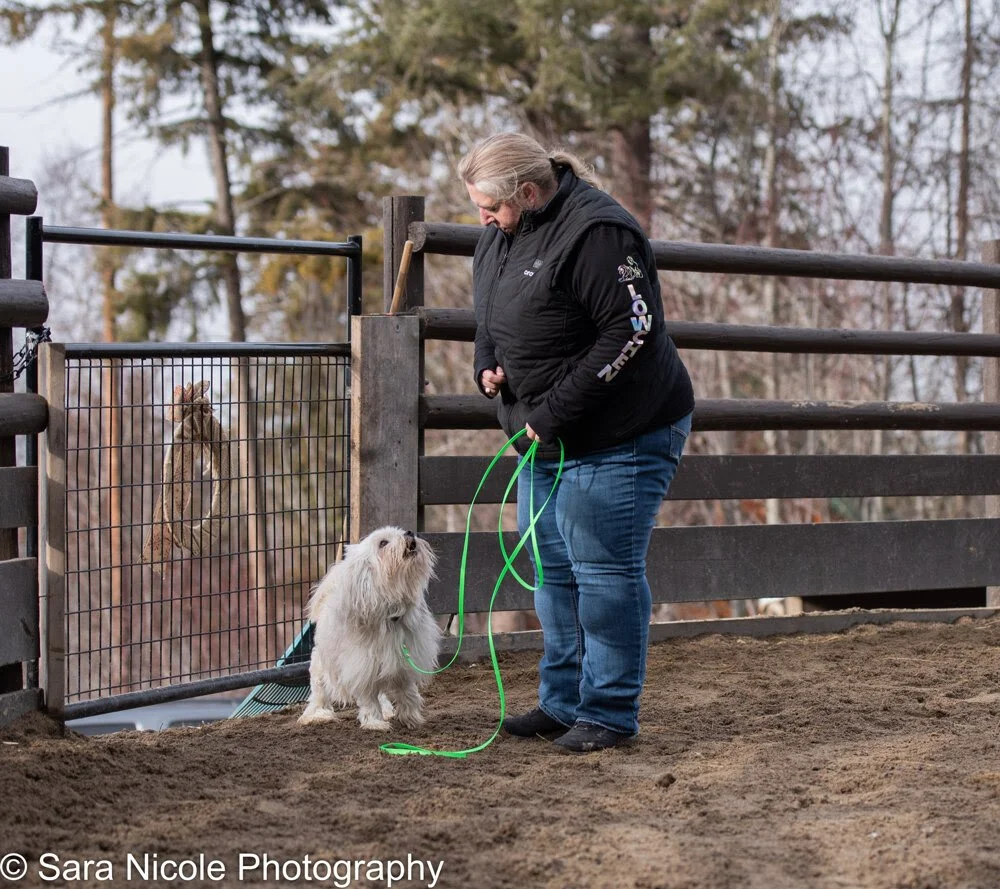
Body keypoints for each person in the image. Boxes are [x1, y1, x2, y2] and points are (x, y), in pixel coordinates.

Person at [459, 132, 695, 753]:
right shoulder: (501, 236)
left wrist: (554, 410)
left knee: (603, 569)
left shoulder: (598, 234)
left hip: (621, 431)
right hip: (545, 437)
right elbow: (489, 314)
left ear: (530, 192)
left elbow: (632, 331)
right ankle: (563, 702)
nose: (482, 219)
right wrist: (488, 362)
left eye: (490, 207)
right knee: (552, 567)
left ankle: (610, 711)